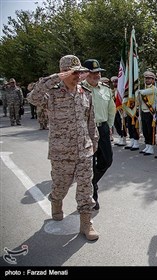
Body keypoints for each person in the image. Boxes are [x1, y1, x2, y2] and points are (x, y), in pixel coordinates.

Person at [27, 55, 99, 240]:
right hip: (61, 152)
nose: (77, 76)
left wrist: (94, 143)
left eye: (79, 72)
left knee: (86, 188)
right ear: (64, 72)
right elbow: (32, 98)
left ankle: (86, 223)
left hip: (84, 150)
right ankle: (56, 199)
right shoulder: (51, 94)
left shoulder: (85, 93)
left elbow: (90, 122)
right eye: (73, 72)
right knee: (61, 185)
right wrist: (54, 78)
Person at [81, 59, 116, 211]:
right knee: (89, 164)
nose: (97, 75)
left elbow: (111, 108)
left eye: (99, 72)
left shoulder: (106, 89)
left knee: (107, 160)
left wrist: (109, 125)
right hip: (85, 131)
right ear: (85, 74)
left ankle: (92, 183)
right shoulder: (78, 89)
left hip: (102, 128)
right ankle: (92, 196)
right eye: (93, 72)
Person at [137, 71, 157, 155]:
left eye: (149, 78)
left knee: (150, 130)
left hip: (151, 112)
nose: (147, 80)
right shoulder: (144, 89)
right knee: (145, 130)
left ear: (153, 80)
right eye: (146, 78)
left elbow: (143, 92)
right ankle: (147, 145)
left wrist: (136, 90)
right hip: (144, 111)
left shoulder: (153, 89)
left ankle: (151, 147)